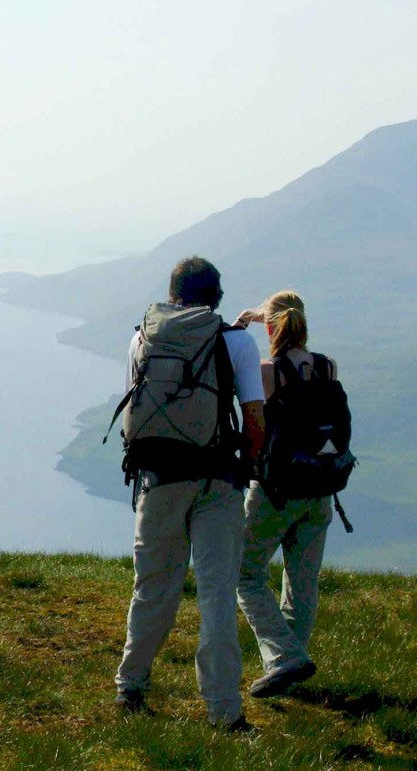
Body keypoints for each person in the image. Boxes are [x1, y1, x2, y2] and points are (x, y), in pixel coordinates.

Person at [114, 257, 265, 730]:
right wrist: (250, 462)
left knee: (153, 587)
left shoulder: (142, 337)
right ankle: (224, 713)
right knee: (217, 595)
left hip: (157, 480)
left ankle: (131, 686)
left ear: (173, 294)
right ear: (216, 295)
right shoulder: (235, 341)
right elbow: (255, 418)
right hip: (217, 481)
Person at [234, 290, 335, 697]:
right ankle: (290, 671)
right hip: (320, 490)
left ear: (271, 326)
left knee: (244, 573)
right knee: (302, 583)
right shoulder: (327, 367)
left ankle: (284, 659)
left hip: (275, 494)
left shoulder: (267, 372)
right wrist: (269, 315)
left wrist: (244, 326)